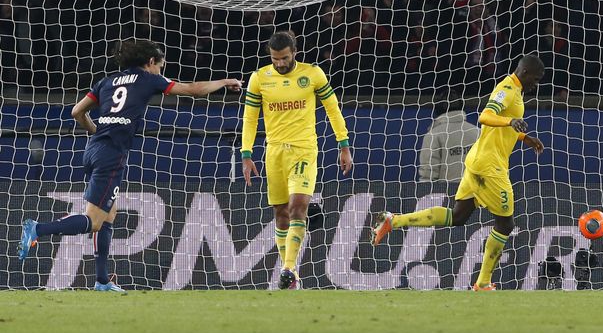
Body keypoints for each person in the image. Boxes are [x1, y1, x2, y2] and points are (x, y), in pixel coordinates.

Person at [18, 39, 242, 292]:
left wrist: (97, 131)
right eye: (160, 65)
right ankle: (38, 228)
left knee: (109, 215)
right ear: (150, 63)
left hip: (93, 150)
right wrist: (224, 82)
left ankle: (102, 281)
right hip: (111, 155)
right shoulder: (148, 79)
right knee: (93, 221)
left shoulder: (106, 81)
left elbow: (76, 112)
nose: (160, 70)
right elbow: (193, 89)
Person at [372, 55, 545, 291]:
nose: (536, 85)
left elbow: (501, 125)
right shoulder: (507, 89)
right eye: (535, 80)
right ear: (524, 73)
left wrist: (524, 137)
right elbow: (485, 116)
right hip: (489, 167)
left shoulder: (515, 90)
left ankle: (394, 220)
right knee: (505, 225)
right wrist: (511, 122)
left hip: (478, 161)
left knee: (458, 216)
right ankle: (483, 283)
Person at [241, 30, 353, 290]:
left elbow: (332, 109)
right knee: (280, 214)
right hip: (274, 152)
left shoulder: (312, 74)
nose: (279, 63)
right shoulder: (259, 78)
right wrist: (246, 154)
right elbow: (250, 119)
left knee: (297, 207)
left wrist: (343, 144)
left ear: (294, 53)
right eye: (275, 59)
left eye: (284, 58)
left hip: (303, 150)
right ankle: (291, 276)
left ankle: (289, 268)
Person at [418, 90, 480, 182]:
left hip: (446, 193)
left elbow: (428, 174)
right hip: (477, 193)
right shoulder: (478, 132)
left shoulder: (433, 135)